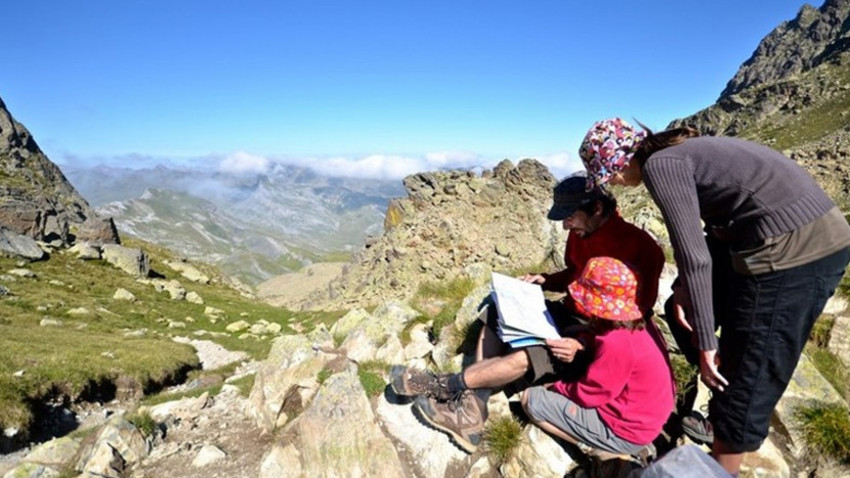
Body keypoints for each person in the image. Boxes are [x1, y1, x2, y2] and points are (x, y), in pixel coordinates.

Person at [578, 117, 850, 475]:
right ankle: (723, 397)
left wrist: (707, 342)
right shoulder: (676, 153)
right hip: (770, 236)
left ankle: (728, 445)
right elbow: (721, 222)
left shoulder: (661, 166)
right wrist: (686, 290)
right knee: (680, 307)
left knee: (751, 359)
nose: (612, 181)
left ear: (627, 155)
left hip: (796, 251)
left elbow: (693, 255)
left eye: (609, 171)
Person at [391, 174, 668, 453]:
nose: (565, 225)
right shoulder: (579, 233)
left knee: (532, 354)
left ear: (596, 209)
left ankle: (453, 393)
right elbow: (574, 273)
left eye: (570, 216)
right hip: (575, 314)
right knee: (498, 311)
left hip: (597, 332)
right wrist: (545, 280)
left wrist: (582, 342)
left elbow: (634, 317)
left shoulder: (642, 248)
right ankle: (472, 407)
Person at [522, 256, 674, 458]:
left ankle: (594, 447)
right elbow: (597, 334)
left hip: (626, 430)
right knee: (574, 332)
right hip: (645, 415)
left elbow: (591, 393)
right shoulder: (637, 321)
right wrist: (583, 341)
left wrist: (556, 387)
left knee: (532, 400)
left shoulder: (617, 343)